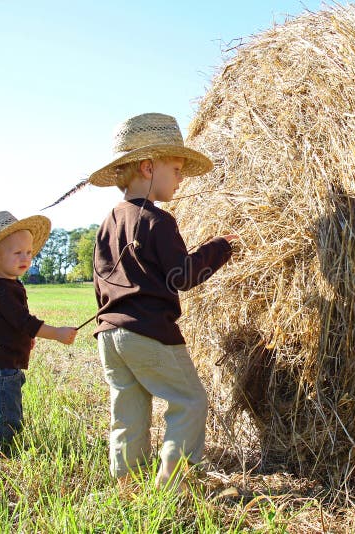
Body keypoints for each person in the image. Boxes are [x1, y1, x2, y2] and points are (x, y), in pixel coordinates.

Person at [88, 112, 238, 490]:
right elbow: (183, 275)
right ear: (147, 166)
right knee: (188, 401)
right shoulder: (158, 221)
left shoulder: (109, 221)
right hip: (148, 334)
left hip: (109, 335)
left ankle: (128, 483)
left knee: (128, 411)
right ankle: (174, 487)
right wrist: (221, 247)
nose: (181, 177)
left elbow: (102, 279)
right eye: (176, 167)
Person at [0, 211, 78, 457]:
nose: (26, 257)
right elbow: (24, 321)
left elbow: (10, 326)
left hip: (6, 367)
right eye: (18, 253)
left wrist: (26, 340)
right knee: (2, 419)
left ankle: (4, 453)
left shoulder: (9, 285)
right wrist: (56, 333)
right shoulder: (0, 290)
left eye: (28, 252)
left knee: (9, 413)